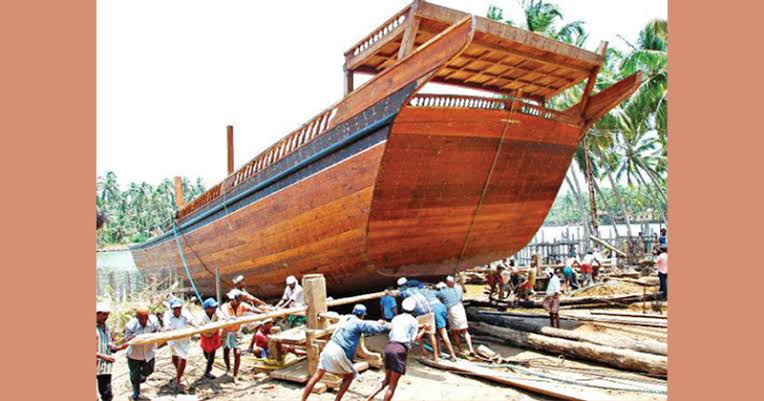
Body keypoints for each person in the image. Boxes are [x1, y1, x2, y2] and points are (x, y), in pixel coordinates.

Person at [301, 304, 390, 401]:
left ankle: (303, 399)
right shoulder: (359, 324)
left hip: (329, 346)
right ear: (363, 315)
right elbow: (376, 327)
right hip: (339, 351)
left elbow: (334, 316)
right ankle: (337, 400)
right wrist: (388, 325)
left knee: (317, 375)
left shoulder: (344, 318)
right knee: (349, 376)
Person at [366, 298, 427, 401]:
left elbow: (392, 331)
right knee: (392, 385)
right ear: (413, 309)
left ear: (402, 308)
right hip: (399, 349)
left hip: (389, 347)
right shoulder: (414, 321)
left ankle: (369, 398)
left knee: (386, 379)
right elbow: (413, 339)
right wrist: (424, 330)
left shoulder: (396, 318)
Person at [124, 306, 161, 400]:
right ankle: (136, 394)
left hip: (149, 352)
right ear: (137, 318)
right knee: (135, 375)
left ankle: (141, 377)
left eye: (146, 318)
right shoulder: (130, 325)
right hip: (135, 354)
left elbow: (159, 331)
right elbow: (126, 339)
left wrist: (154, 335)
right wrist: (134, 337)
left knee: (149, 370)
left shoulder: (153, 321)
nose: (144, 321)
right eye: (141, 319)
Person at [396, 278, 438, 360]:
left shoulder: (406, 292)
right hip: (430, 312)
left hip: (421, 314)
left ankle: (423, 351)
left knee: (417, 335)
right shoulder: (416, 288)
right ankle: (436, 356)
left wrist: (388, 293)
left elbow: (399, 294)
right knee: (431, 334)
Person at [221, 289, 258, 382]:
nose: (238, 302)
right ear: (232, 299)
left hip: (236, 332)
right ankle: (228, 368)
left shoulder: (241, 305)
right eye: (236, 300)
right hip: (227, 331)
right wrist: (230, 318)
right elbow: (224, 316)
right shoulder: (225, 307)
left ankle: (235, 375)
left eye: (239, 300)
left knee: (237, 353)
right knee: (226, 351)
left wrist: (264, 312)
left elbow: (253, 309)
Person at [437, 275, 475, 356]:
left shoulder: (442, 292)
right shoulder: (459, 288)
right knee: (465, 331)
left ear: (447, 283)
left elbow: (437, 297)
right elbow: (461, 300)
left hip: (452, 310)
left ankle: (460, 349)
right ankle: (471, 349)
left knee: (455, 332)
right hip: (460, 307)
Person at [97, 302, 127, 401]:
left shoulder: (106, 328)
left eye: (107, 314)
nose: (106, 317)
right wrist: (102, 356)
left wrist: (120, 347)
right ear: (97, 314)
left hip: (104, 367)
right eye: (104, 314)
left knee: (107, 394)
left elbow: (109, 345)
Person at [163, 299, 194, 391]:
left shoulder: (185, 312)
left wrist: (195, 324)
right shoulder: (167, 314)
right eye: (175, 308)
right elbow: (166, 324)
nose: (177, 310)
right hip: (173, 338)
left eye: (179, 308)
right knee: (175, 355)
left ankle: (178, 380)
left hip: (184, 338)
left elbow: (191, 320)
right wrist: (167, 328)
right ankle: (179, 372)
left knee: (183, 358)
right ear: (171, 309)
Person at [422, 286, 457, 360]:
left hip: (434, 309)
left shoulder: (421, 293)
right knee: (441, 332)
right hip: (441, 307)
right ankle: (440, 352)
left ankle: (450, 354)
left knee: (435, 333)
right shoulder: (433, 291)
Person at [196, 298, 223, 379]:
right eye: (212, 307)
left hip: (214, 334)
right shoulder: (201, 316)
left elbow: (223, 317)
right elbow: (198, 325)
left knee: (212, 353)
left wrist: (226, 320)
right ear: (207, 309)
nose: (214, 308)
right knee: (206, 353)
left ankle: (207, 371)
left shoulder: (216, 312)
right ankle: (209, 362)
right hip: (205, 335)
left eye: (215, 307)